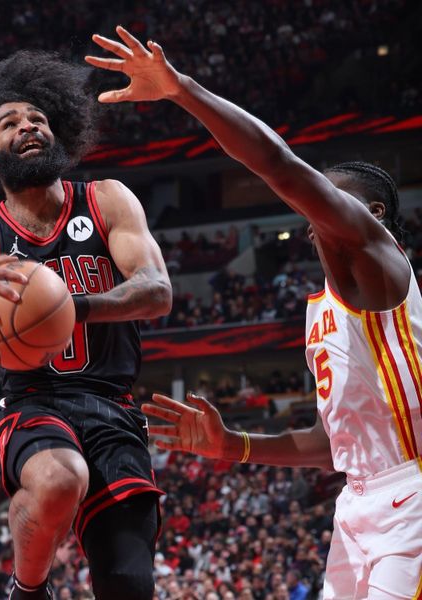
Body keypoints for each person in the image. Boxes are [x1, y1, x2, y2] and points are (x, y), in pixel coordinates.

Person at [86, 26, 422, 598]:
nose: (313, 215)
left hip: (412, 493)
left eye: (326, 199)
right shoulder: (323, 309)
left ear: (373, 212)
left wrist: (181, 90)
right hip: (357, 504)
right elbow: (329, 446)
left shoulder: (379, 259)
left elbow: (279, 164)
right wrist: (233, 446)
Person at [0, 51, 172, 600]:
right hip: (31, 398)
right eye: (9, 123)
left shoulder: (106, 199)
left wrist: (71, 308)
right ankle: (28, 589)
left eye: (36, 118)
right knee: (59, 478)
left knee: (130, 584)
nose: (27, 127)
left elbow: (157, 292)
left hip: (113, 402)